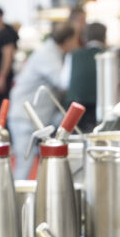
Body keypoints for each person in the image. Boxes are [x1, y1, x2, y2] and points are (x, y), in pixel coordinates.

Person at [8, 23, 78, 180]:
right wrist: (72, 57)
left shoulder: (51, 52)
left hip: (33, 116)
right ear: (67, 40)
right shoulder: (48, 55)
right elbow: (62, 81)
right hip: (24, 117)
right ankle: (16, 203)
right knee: (23, 167)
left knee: (27, 165)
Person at [62, 22, 107, 131]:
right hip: (102, 111)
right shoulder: (110, 55)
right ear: (105, 37)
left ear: (85, 38)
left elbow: (64, 84)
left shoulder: (73, 55)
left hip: (76, 113)